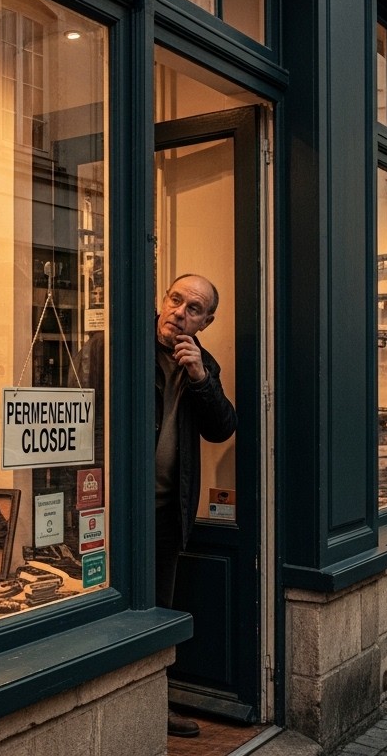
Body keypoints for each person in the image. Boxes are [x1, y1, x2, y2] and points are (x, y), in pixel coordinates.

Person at [154, 274, 238, 738]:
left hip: (169, 511)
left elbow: (222, 428)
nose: (179, 312)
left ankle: (154, 705)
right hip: (109, 510)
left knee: (160, 609)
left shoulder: (202, 364)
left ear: (206, 321)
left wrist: (201, 380)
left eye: (193, 308)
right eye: (175, 300)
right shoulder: (118, 343)